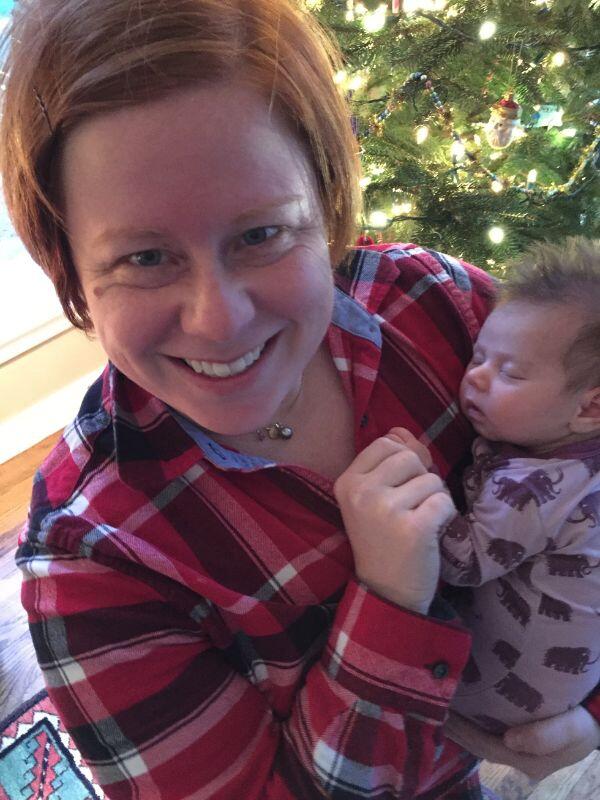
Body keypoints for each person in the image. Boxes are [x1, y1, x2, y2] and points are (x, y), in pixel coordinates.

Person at [2, 1, 598, 797]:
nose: (220, 320)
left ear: (325, 203)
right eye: (145, 257)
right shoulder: (92, 560)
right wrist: (387, 601)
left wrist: (590, 708)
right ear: (68, 268)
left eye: (261, 235)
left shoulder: (439, 306)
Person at [391, 238, 600, 738]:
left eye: (509, 372)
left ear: (590, 409)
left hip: (499, 689)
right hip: (570, 683)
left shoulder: (537, 486)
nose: (476, 378)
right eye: (479, 356)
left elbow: (463, 563)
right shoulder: (572, 458)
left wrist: (421, 485)